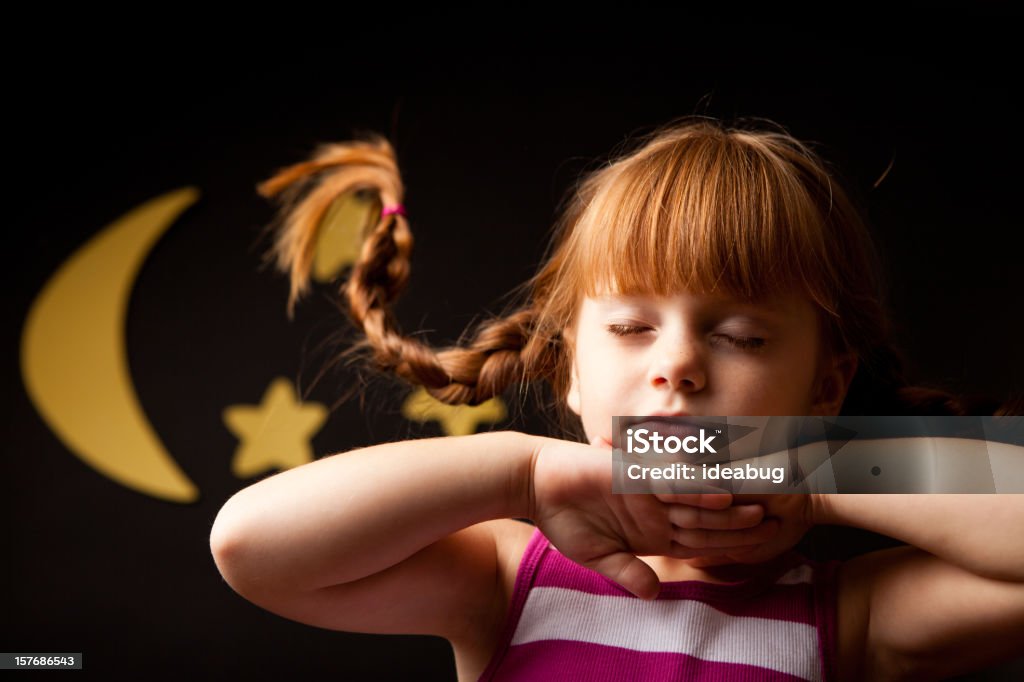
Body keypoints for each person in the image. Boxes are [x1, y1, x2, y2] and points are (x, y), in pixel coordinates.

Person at [209, 117, 1024, 681]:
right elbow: (250, 544)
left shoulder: (851, 618)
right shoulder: (507, 577)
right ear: (568, 369)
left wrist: (809, 470)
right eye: (632, 326)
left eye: (740, 336)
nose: (677, 365)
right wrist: (523, 477)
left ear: (826, 384)